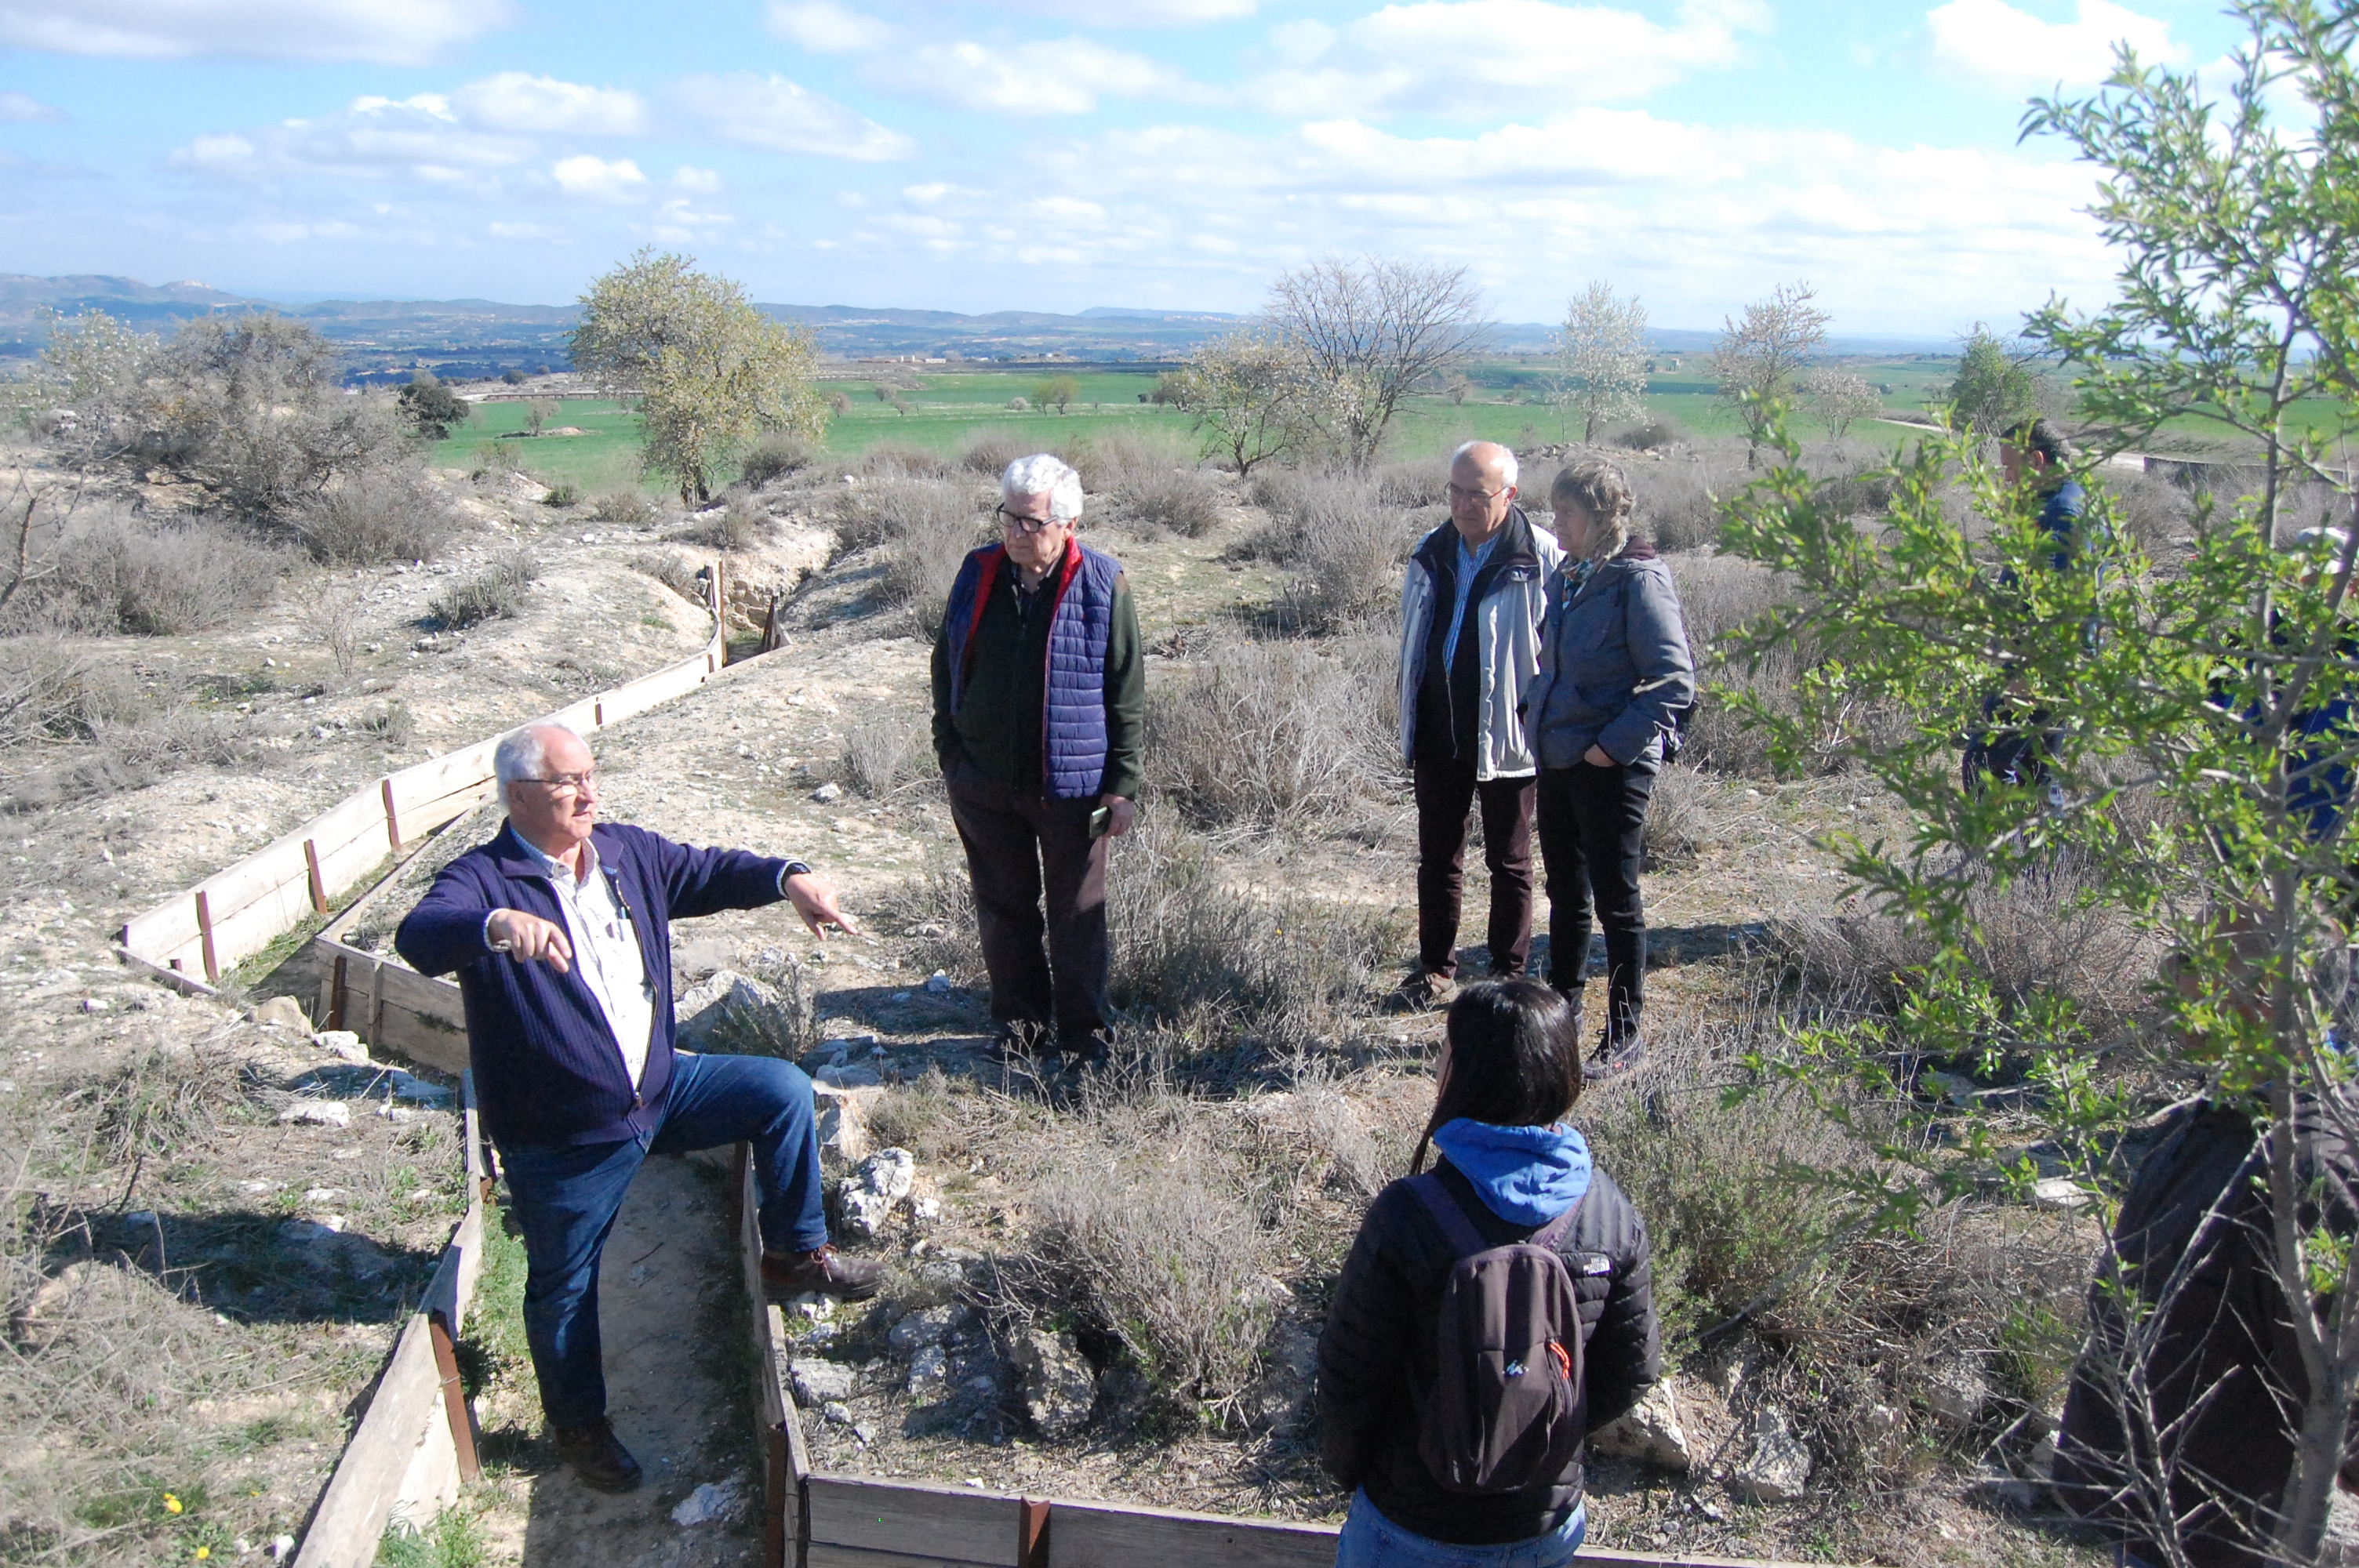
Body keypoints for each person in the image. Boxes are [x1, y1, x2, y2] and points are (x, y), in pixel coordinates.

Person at [394, 721, 877, 1494]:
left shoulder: (621, 853)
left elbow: (711, 870)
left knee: (778, 1091)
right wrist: (494, 927)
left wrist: (789, 875)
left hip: (656, 1092)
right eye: (568, 782)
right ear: (519, 795)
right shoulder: (482, 879)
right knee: (565, 1282)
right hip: (563, 1133)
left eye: (591, 775)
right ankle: (579, 1424)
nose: (589, 792)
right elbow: (419, 936)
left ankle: (791, 1254)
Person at [1317, 979, 1659, 1568]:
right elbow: (1630, 1372)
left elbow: (1350, 1380)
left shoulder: (1409, 1214)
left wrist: (1367, 1480)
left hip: (1413, 1523)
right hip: (1542, 1528)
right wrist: (1538, 1441)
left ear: (1465, 1073)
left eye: (1445, 1050)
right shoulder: (1609, 1214)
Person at [931, 452, 1143, 1063]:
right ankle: (1021, 1027)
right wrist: (952, 755)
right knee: (1003, 909)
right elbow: (944, 664)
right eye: (1010, 519)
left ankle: (1084, 1035)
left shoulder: (1105, 582)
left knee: (1078, 914)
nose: (1017, 533)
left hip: (1076, 789)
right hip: (985, 782)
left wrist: (1121, 786)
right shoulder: (979, 572)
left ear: (1068, 524)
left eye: (1032, 523)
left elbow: (1127, 691)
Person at [1523, 459, 1694, 1076]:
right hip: (1557, 756)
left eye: (1567, 512)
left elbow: (1673, 682)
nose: (1556, 522)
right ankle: (1562, 1017)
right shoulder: (1568, 574)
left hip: (1609, 764)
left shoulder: (1637, 578)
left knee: (1616, 899)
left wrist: (1609, 748)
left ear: (1600, 516)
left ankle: (1626, 1035)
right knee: (1566, 893)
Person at [1392, 440, 1563, 1010]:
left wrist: (1542, 713)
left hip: (1508, 733)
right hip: (1440, 729)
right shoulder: (1430, 551)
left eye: (1478, 494)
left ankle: (1507, 977)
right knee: (1438, 856)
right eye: (1456, 491)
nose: (1464, 505)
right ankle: (1436, 968)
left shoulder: (1542, 556)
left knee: (1509, 860)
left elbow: (1558, 646)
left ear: (1510, 495)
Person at [1964, 416, 2098, 804]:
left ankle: (1996, 857)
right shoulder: (2071, 502)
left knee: (1985, 763)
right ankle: (2041, 862)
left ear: (2037, 461)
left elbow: (2062, 607)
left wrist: (2027, 678)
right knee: (2036, 772)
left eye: (2010, 467)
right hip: (2052, 663)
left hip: (2042, 667)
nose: (2007, 478)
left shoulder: (2062, 515)